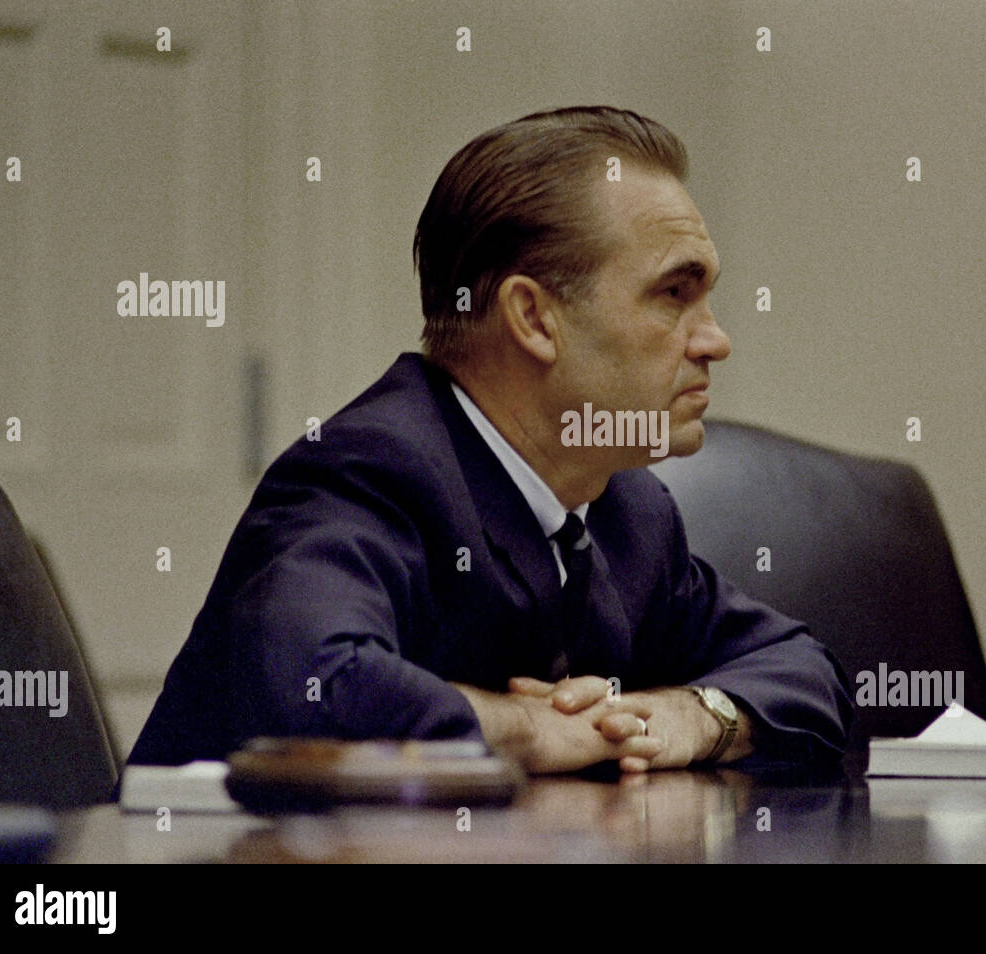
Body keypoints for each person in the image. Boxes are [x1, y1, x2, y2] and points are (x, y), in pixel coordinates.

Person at [128, 106, 854, 774]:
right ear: (534, 320)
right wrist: (529, 730)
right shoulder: (371, 472)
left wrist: (695, 716)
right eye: (674, 294)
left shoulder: (626, 510)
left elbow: (805, 668)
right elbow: (314, 685)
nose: (716, 340)